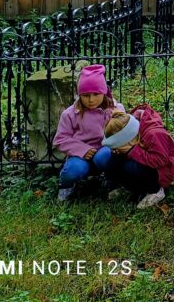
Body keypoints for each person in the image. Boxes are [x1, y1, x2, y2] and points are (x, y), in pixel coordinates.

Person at [52, 64, 123, 201]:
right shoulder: (70, 114)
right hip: (80, 156)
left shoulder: (114, 109)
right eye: (85, 95)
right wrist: (82, 149)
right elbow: (60, 139)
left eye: (96, 94)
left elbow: (122, 130)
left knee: (105, 156)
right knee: (73, 170)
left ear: (104, 92)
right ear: (79, 95)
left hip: (104, 151)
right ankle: (66, 185)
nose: (91, 100)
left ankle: (111, 178)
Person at [102, 104, 174, 209]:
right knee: (115, 160)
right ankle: (132, 189)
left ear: (128, 138)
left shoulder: (154, 134)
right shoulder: (135, 133)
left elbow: (161, 160)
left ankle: (156, 190)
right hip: (145, 161)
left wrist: (132, 151)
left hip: (164, 170)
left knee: (131, 166)